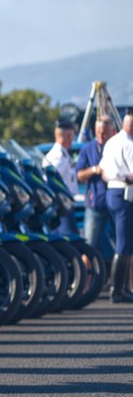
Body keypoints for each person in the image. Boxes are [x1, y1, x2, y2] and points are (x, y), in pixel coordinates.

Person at [98, 112, 133, 302]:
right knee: (124, 244)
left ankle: (123, 288)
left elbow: (102, 170)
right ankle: (117, 290)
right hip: (124, 193)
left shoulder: (112, 142)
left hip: (112, 190)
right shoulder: (129, 145)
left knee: (126, 243)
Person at [76, 114, 115, 257]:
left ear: (113, 132)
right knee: (88, 246)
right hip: (95, 204)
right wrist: (94, 170)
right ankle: (86, 278)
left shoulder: (118, 147)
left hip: (116, 204)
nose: (101, 136)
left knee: (123, 246)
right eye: (98, 132)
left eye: (104, 133)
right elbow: (79, 175)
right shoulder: (87, 149)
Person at [43, 120, 78, 234]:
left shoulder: (59, 154)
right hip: (62, 205)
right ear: (68, 136)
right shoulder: (59, 156)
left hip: (62, 204)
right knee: (68, 239)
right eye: (72, 135)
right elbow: (51, 181)